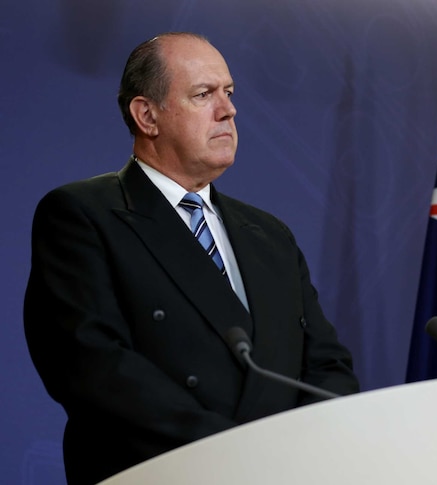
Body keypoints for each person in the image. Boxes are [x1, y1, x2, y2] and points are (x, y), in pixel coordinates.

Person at [23, 32, 360, 485]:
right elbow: (92, 369)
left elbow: (328, 368)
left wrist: (292, 457)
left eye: (230, 93)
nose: (229, 110)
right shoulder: (84, 215)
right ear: (147, 115)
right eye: (204, 94)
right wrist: (234, 454)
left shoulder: (270, 235)